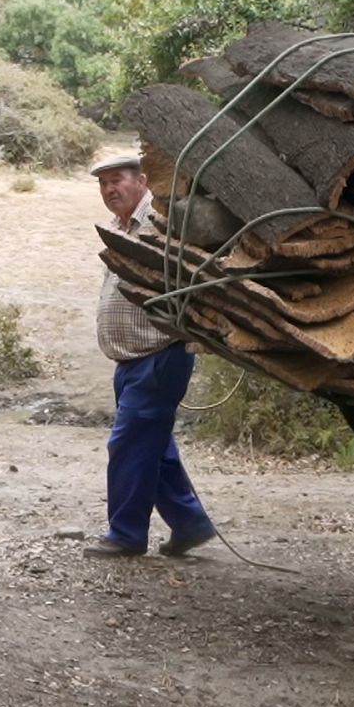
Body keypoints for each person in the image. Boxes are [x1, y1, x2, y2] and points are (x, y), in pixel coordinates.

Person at [83, 156, 217, 559]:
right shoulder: (116, 229)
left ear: (142, 181)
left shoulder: (162, 224)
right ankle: (190, 525)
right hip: (128, 360)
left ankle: (125, 535)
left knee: (128, 443)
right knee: (153, 446)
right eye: (103, 183)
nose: (110, 189)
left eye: (118, 180)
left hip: (160, 356)